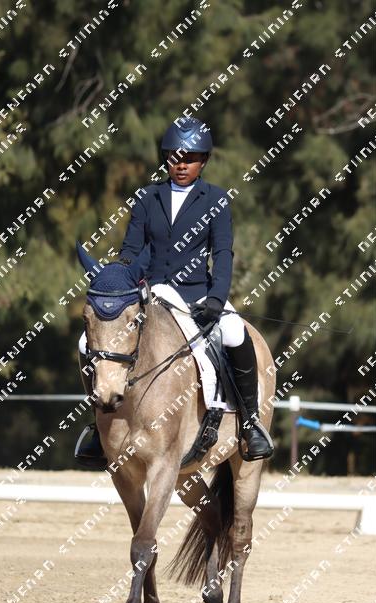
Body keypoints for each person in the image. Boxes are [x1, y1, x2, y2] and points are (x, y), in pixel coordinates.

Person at [75, 116, 273, 468]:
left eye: (190, 159)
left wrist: (217, 299)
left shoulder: (216, 199)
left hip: (197, 294)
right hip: (152, 295)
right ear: (166, 158)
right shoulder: (147, 198)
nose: (181, 165)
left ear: (203, 161)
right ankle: (99, 421)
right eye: (175, 157)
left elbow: (222, 253)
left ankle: (250, 423)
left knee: (234, 332)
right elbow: (131, 251)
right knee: (84, 343)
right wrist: (119, 278)